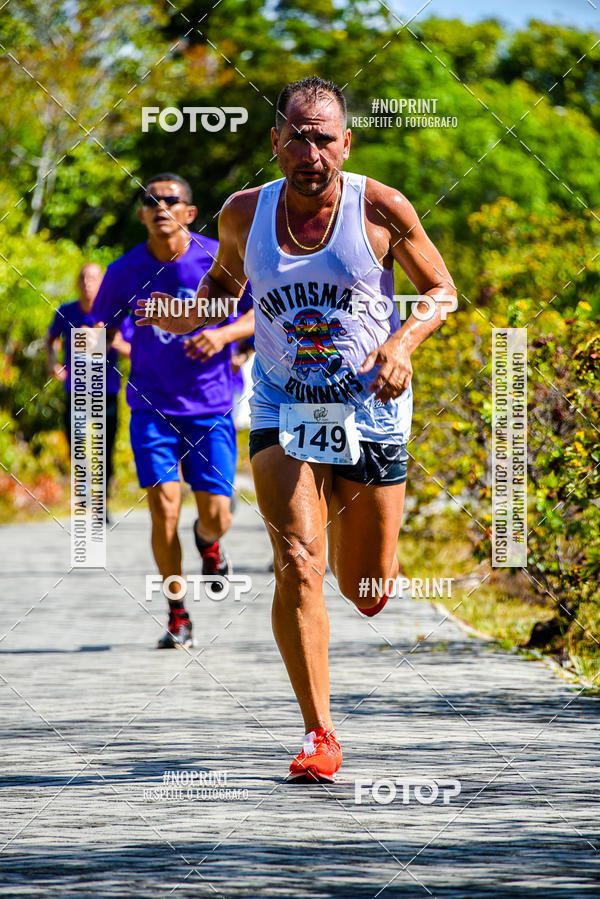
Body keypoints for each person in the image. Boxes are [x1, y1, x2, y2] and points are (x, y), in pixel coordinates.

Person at [136, 78, 457, 779]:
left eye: (324, 137)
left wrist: (400, 345)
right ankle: (319, 734)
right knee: (298, 563)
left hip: (369, 407)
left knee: (366, 587)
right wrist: (181, 314)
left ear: (347, 142)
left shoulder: (380, 207)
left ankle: (367, 559)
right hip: (285, 404)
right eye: (297, 136)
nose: (310, 151)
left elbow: (442, 291)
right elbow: (223, 289)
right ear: (275, 142)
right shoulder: (243, 213)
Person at [93, 173, 254, 650]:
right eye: (151, 200)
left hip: (210, 405)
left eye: (171, 200)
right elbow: (102, 326)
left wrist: (223, 335)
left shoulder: (215, 257)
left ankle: (209, 542)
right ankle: (177, 613)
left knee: (218, 515)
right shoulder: (123, 270)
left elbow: (259, 310)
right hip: (151, 405)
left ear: (188, 212)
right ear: (142, 213)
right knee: (163, 509)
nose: (160, 206)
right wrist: (113, 344)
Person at [46, 263, 131, 512]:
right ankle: (83, 498)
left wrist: (108, 338)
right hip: (76, 390)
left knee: (105, 448)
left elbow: (132, 350)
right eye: (83, 278)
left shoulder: (114, 313)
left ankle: (102, 504)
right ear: (77, 283)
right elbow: (50, 338)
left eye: (93, 278)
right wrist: (54, 364)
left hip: (107, 390)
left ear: (103, 282)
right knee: (78, 445)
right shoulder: (67, 311)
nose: (87, 283)